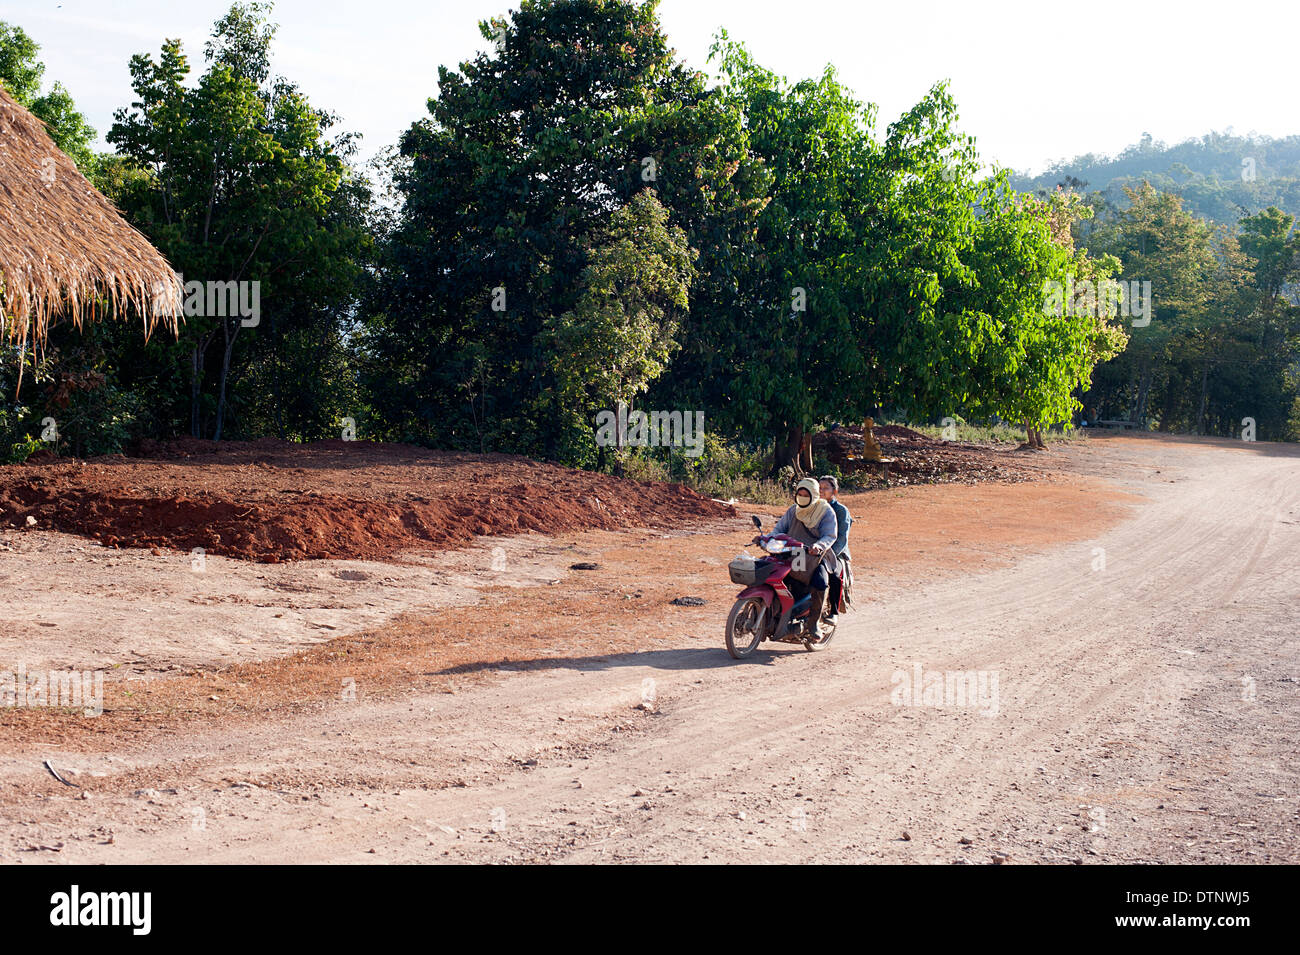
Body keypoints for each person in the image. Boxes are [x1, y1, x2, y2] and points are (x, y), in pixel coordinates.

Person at [762, 477, 839, 639]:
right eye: (800, 494)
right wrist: (766, 538)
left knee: (820, 584)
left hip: (817, 556)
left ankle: (813, 623)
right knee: (771, 573)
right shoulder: (793, 510)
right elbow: (779, 529)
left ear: (814, 495)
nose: (802, 497)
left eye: (806, 494)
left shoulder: (825, 512)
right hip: (793, 553)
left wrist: (818, 546)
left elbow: (830, 535)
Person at [819, 475, 852, 619]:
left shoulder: (841, 511)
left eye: (826, 488)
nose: (822, 491)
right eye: (819, 488)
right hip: (814, 549)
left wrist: (829, 554)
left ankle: (834, 611)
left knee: (834, 575)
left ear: (835, 491)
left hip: (836, 552)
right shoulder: (813, 507)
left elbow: (842, 538)